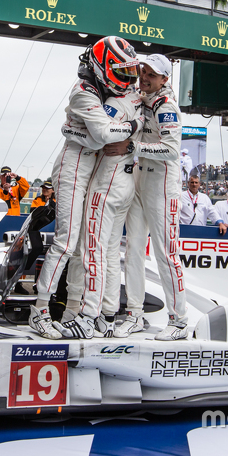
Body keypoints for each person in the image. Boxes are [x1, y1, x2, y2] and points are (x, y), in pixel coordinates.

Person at [29, 36, 143, 340]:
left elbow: (100, 135)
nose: (129, 79)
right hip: (72, 170)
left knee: (82, 250)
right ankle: (39, 311)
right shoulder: (82, 93)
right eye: (123, 72)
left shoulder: (112, 91)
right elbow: (103, 135)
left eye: (132, 72)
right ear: (101, 67)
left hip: (91, 169)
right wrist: (130, 129)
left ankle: (71, 314)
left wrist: (85, 134)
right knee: (66, 242)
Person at [62, 89, 142, 339]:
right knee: (108, 253)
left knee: (91, 250)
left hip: (107, 184)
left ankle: (86, 317)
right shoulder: (142, 100)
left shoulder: (115, 102)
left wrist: (68, 130)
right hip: (127, 182)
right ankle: (107, 317)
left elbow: (98, 136)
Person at [120, 54, 188, 340]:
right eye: (143, 71)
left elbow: (172, 151)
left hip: (162, 186)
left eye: (151, 74)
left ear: (164, 79)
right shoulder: (140, 97)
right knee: (133, 250)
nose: (144, 77)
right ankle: (135, 314)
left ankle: (179, 320)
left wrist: (133, 146)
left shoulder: (167, 106)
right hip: (139, 180)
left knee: (166, 254)